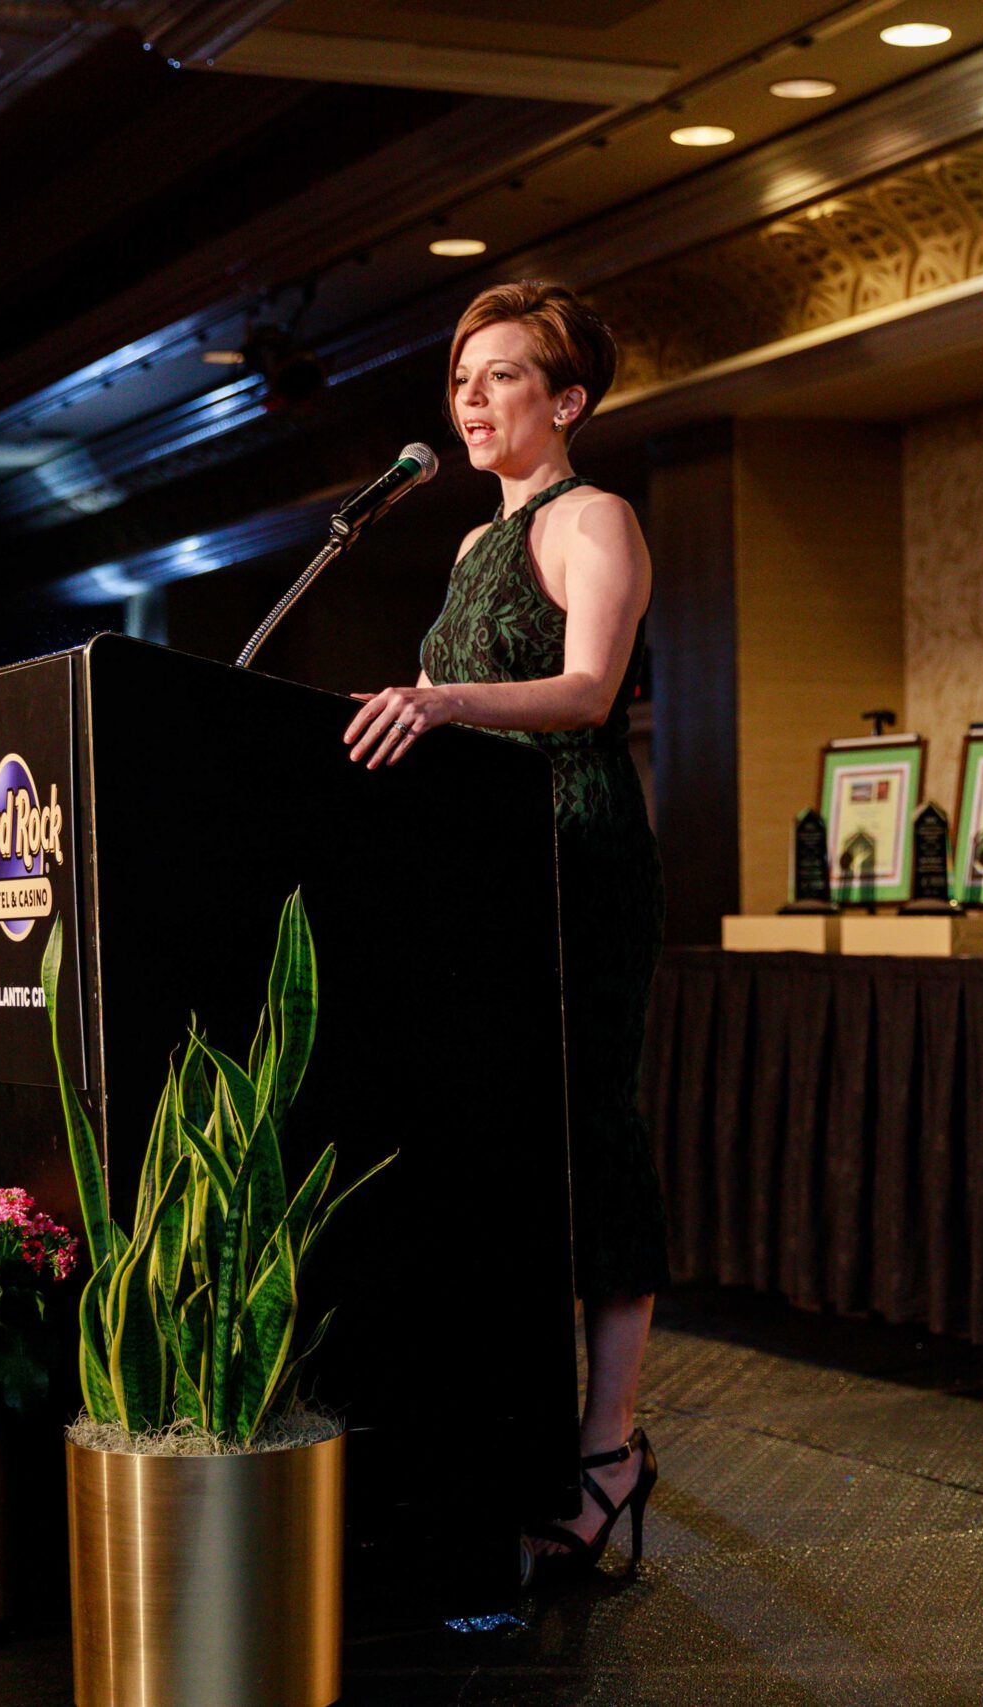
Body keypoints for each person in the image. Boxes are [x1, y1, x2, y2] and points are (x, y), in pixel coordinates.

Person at [343, 280, 666, 1579]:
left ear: (568, 400)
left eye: (503, 376)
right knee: (502, 1146)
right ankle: (509, 1433)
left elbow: (586, 693)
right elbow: (439, 700)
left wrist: (441, 703)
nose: (471, 401)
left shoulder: (596, 518)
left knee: (590, 1128)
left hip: (576, 851)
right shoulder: (475, 544)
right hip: (482, 873)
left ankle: (609, 1448)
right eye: (461, 379)